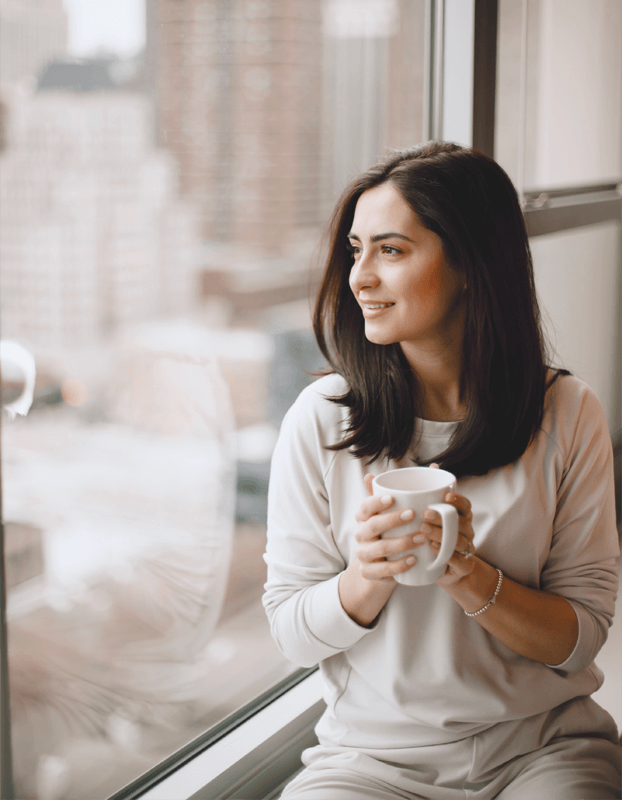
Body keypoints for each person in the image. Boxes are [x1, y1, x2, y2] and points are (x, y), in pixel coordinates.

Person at [262, 142, 621, 800]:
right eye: (355, 249)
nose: (360, 277)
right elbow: (290, 630)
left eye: (390, 250)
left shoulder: (568, 413)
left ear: (469, 264)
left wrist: (467, 573)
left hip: (541, 748)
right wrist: (365, 579)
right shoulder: (319, 421)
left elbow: (581, 638)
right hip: (370, 761)